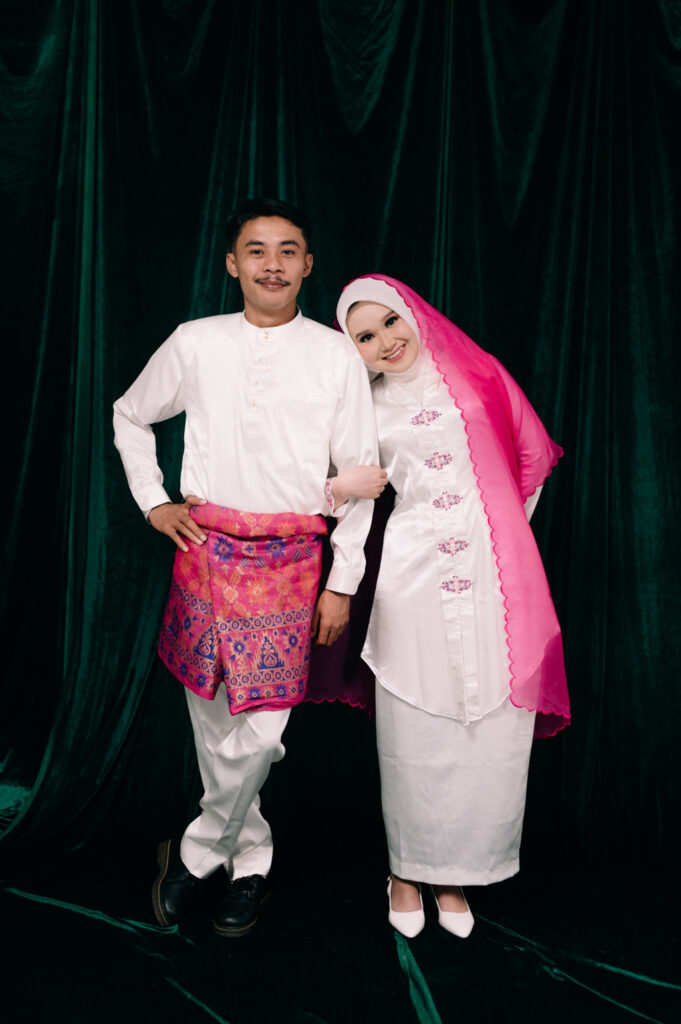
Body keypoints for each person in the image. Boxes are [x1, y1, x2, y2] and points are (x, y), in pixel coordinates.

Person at [112, 199, 382, 937]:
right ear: (232, 263)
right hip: (204, 553)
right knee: (213, 725)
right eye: (256, 250)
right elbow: (130, 414)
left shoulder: (334, 355)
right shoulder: (196, 341)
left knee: (260, 734)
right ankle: (252, 860)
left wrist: (342, 582)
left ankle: (197, 853)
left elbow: (359, 473)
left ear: (308, 264)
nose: (272, 263)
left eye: (288, 250)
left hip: (293, 563)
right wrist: (153, 501)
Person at [332, 274, 570, 939]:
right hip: (411, 577)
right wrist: (336, 485)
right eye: (365, 336)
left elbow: (530, 455)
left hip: (495, 575)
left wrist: (497, 528)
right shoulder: (365, 407)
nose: (385, 341)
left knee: (490, 722)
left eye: (390, 321)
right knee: (413, 723)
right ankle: (406, 871)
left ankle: (454, 875)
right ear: (353, 350)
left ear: (414, 314)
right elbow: (343, 485)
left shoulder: (479, 376)